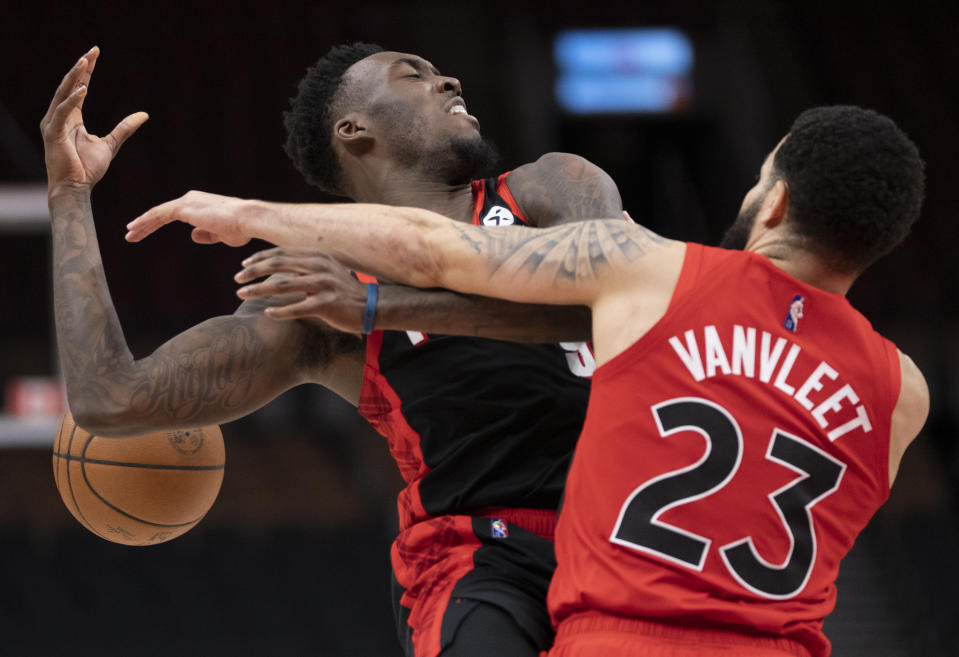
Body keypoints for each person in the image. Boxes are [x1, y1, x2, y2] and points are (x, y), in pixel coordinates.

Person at [127, 105, 929, 657]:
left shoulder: (655, 271)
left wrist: (250, 212)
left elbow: (435, 248)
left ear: (775, 200)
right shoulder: (902, 392)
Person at [41, 45, 624, 657]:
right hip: (484, 556)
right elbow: (110, 399)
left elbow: (603, 301)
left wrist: (379, 306)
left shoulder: (551, 184)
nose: (448, 78)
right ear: (354, 129)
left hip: (638, 528)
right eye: (414, 74)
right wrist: (69, 196)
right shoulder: (321, 298)